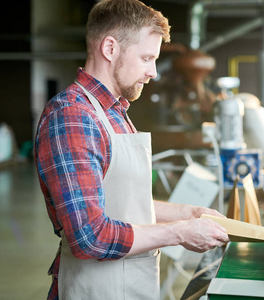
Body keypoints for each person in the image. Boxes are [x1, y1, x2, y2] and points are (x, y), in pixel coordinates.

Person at [34, 0, 229, 299]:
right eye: (146, 58)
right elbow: (89, 237)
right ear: (110, 49)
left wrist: (190, 213)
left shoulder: (114, 111)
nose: (153, 72)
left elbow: (124, 203)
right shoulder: (73, 116)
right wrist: (179, 232)